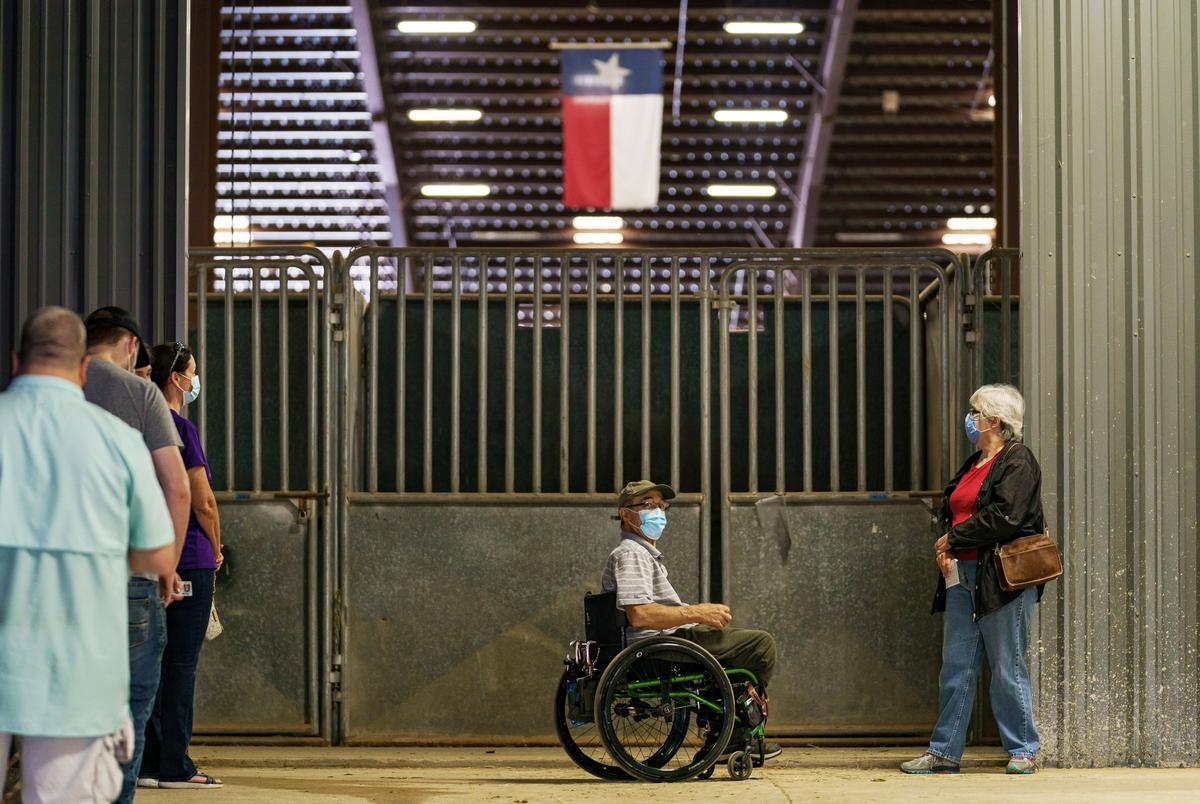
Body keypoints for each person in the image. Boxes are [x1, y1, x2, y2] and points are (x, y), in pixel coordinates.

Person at [0, 307, 177, 803]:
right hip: (76, 673)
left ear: (17, 361)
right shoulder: (119, 442)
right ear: (82, 370)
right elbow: (159, 556)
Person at [901, 384, 1045, 776]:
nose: (970, 417)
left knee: (1006, 667)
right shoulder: (975, 462)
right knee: (956, 666)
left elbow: (1006, 516)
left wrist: (955, 538)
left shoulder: (1018, 461)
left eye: (975, 411)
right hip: (962, 576)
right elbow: (957, 508)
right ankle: (944, 751)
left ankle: (1023, 749)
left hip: (1000, 581)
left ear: (994, 420)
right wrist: (950, 543)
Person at [83, 305, 192, 803]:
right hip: (130, 572)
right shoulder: (141, 394)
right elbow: (179, 489)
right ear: (130, 345)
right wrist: (167, 566)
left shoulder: (58, 392)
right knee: (130, 704)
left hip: (62, 575)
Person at [601, 480, 782, 763]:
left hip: (662, 642)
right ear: (626, 514)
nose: (658, 511)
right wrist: (697, 613)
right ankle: (732, 736)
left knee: (732, 647)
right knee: (760, 645)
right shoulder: (632, 554)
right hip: (657, 646)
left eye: (661, 505)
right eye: (648, 504)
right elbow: (640, 614)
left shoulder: (642, 554)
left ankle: (725, 728)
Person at [140, 342, 223, 789]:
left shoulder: (142, 424)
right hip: (188, 558)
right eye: (192, 372)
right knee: (181, 664)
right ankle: (174, 763)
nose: (194, 380)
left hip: (148, 556)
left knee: (152, 662)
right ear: (176, 378)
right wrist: (216, 545)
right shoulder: (181, 430)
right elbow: (201, 500)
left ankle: (148, 760)